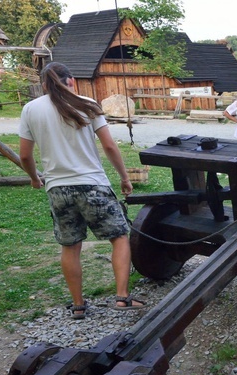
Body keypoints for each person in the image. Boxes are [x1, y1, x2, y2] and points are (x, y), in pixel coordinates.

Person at [18, 62, 145, 320]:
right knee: (119, 237)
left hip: (58, 189)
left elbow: (24, 155)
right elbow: (109, 146)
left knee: (70, 246)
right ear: (72, 80)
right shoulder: (87, 103)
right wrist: (124, 178)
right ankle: (122, 298)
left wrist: (34, 178)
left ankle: (78, 305)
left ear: (44, 85)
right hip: (92, 185)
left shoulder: (30, 109)